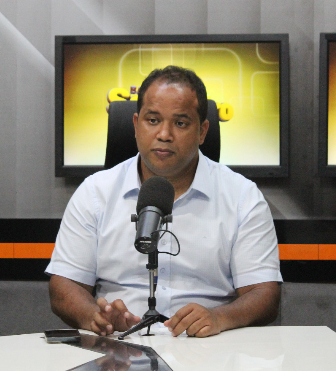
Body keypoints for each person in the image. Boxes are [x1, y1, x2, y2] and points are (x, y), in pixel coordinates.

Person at [46, 65, 282, 338]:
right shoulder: (95, 193)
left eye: (180, 123)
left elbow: (264, 294)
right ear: (136, 125)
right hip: (117, 347)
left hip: (209, 347)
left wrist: (219, 317)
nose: (164, 134)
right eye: (153, 120)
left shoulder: (242, 197)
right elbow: (64, 287)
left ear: (202, 131)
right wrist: (96, 317)